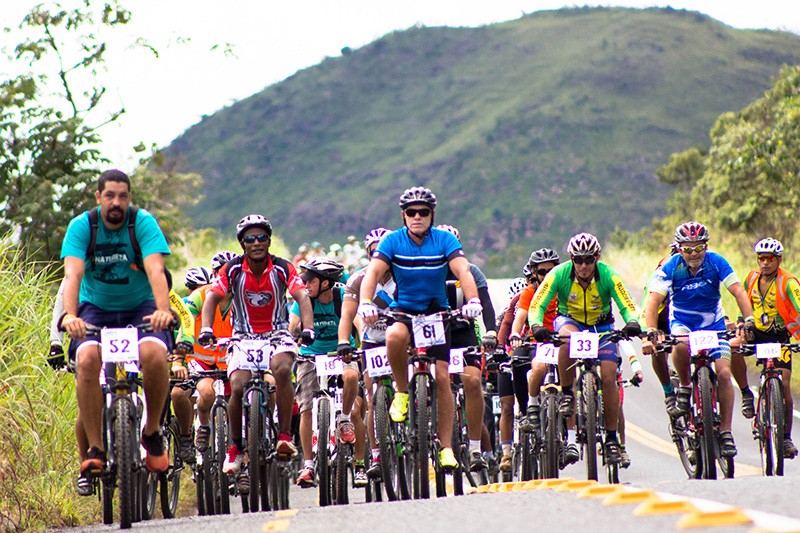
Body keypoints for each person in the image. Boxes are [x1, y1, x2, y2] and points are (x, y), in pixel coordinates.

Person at [60, 169, 174, 483]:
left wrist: (163, 310)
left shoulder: (142, 223)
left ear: (129, 198)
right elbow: (73, 275)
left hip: (141, 307)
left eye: (123, 196)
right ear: (98, 197)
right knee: (86, 360)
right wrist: (70, 316)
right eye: (110, 195)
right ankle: (95, 449)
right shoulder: (83, 227)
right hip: (95, 309)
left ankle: (151, 432)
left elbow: (155, 269)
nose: (116, 202)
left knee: (153, 354)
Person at [358, 186, 483, 470]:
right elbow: (373, 273)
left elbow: (463, 270)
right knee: (394, 336)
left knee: (442, 376)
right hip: (404, 310)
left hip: (436, 312)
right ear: (403, 215)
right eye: (411, 212)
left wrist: (473, 299)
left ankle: (447, 448)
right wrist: (366, 301)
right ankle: (402, 392)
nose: (417, 217)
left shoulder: (445, 240)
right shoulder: (392, 241)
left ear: (432, 215)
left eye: (423, 212)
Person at [199, 214, 314, 481]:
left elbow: (302, 296)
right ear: (243, 244)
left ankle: (284, 436)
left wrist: (307, 327)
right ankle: (235, 448)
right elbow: (212, 298)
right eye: (250, 239)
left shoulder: (284, 268)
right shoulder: (232, 269)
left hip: (277, 334)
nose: (257, 243)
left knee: (282, 370)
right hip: (243, 336)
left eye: (262, 237)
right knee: (237, 386)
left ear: (269, 241)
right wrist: (206, 328)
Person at [641, 222, 756, 458]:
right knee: (680, 346)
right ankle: (684, 386)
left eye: (698, 248)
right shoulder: (671, 266)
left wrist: (749, 318)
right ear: (679, 248)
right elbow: (653, 301)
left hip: (713, 324)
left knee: (724, 373)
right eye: (687, 249)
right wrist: (650, 330)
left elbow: (738, 291)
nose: (693, 254)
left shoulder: (717, 261)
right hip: (682, 323)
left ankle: (725, 431)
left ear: (706, 246)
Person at [527, 233, 641, 464]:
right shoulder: (559, 274)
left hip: (602, 326)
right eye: (578, 260)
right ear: (571, 259)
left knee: (609, 377)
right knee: (566, 339)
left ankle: (610, 438)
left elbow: (627, 303)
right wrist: (536, 325)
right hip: (570, 321)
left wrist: (632, 322)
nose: (584, 266)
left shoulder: (608, 275)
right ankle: (567, 392)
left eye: (589, 260)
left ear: (597, 258)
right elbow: (537, 304)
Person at [289, 258, 358, 487]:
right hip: (311, 356)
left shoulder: (342, 297)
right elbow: (292, 325)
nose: (305, 284)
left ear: (326, 283)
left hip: (341, 353)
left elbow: (357, 323)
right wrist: (297, 332)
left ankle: (345, 418)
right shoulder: (304, 299)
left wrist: (361, 345)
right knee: (306, 408)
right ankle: (308, 464)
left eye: (310, 280)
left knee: (351, 377)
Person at [437, 224, 498, 471]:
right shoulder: (428, 272)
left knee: (472, 383)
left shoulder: (471, 271)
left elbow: (486, 304)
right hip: (436, 334)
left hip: (464, 334)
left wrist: (491, 331)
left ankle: (475, 447)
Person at [734, 238, 799, 458]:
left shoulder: (788, 282)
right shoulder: (751, 278)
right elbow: (743, 304)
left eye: (769, 259)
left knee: (785, 384)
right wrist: (741, 322)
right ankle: (745, 393)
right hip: (756, 332)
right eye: (761, 258)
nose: (764, 263)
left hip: (779, 337)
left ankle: (786, 437)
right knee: (731, 347)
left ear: (779, 260)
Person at [337, 228, 393, 483]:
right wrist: (342, 342)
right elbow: (347, 315)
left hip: (402, 339)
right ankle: (377, 454)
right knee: (372, 398)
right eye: (374, 252)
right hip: (371, 341)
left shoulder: (404, 275)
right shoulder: (359, 280)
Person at [639, 243, 681, 418]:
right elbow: (645, 310)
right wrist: (646, 337)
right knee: (657, 347)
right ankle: (669, 392)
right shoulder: (660, 275)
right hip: (662, 320)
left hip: (685, 319)